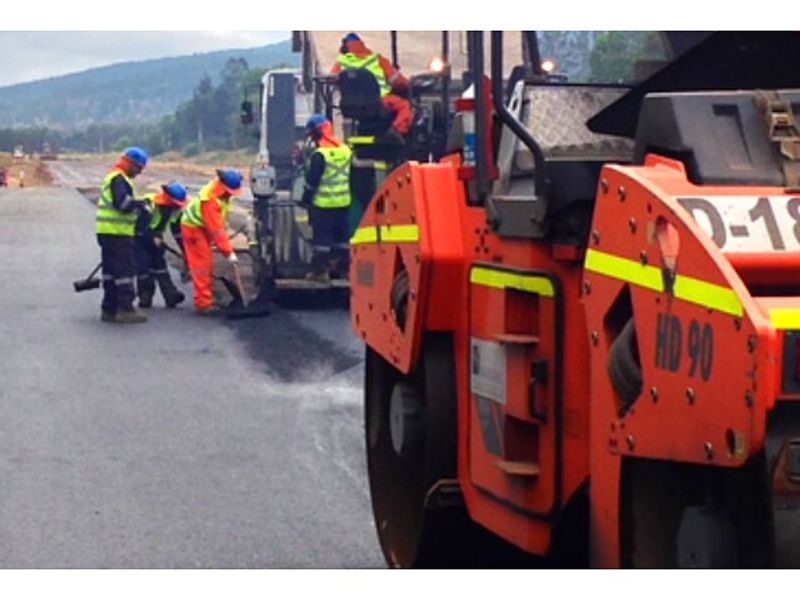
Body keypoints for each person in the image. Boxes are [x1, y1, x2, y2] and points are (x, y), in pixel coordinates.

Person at [95, 146, 150, 324]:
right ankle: (125, 309)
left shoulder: (112, 176)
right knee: (124, 271)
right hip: (118, 233)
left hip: (106, 231)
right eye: (139, 168)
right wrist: (140, 204)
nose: (139, 173)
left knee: (110, 272)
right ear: (130, 164)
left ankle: (109, 308)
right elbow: (123, 204)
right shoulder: (119, 179)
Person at [180, 169, 242, 315]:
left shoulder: (221, 193)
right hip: (193, 228)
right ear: (223, 186)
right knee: (202, 265)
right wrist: (228, 252)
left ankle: (205, 297)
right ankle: (203, 303)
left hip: (202, 227)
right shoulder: (210, 201)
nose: (231, 194)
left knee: (206, 262)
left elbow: (218, 224)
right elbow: (216, 230)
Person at [300, 114, 352, 280]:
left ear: (316, 134)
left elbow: (311, 183)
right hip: (343, 203)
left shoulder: (320, 155)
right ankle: (343, 270)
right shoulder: (346, 151)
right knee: (342, 240)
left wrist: (305, 200)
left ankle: (320, 272)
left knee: (322, 242)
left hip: (323, 205)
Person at [331, 32, 412, 138]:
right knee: (405, 106)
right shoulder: (377, 59)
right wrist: (409, 85)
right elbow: (398, 81)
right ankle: (395, 131)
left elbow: (331, 79)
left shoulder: (340, 62)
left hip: (349, 106)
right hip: (379, 101)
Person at [135, 182, 188, 309]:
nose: (177, 207)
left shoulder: (175, 210)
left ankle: (171, 295)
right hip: (138, 238)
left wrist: (186, 252)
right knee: (144, 267)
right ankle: (145, 295)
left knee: (160, 266)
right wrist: (152, 238)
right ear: (168, 199)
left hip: (156, 236)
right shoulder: (149, 204)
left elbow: (177, 232)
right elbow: (140, 227)